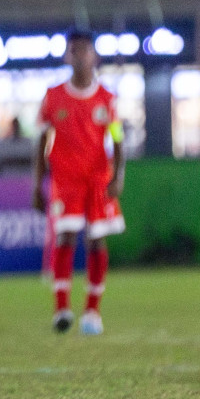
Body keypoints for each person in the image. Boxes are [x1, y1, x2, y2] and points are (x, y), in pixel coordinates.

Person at [32, 30, 126, 336]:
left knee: (97, 239)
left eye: (85, 50)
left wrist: (118, 174)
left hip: (98, 178)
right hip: (66, 178)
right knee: (66, 236)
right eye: (74, 50)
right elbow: (41, 141)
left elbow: (118, 139)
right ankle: (61, 309)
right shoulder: (53, 96)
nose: (80, 56)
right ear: (66, 56)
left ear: (94, 56)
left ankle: (92, 312)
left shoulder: (107, 99)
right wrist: (37, 184)